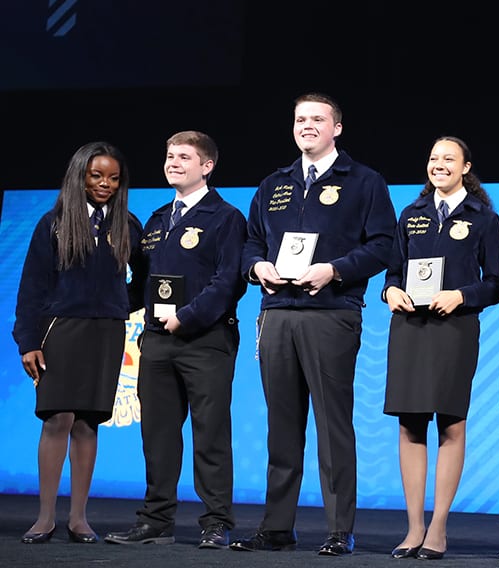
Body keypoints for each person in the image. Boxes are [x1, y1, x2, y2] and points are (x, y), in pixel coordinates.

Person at [231, 92, 397, 555]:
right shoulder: (274, 184)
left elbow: (384, 245)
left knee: (332, 424)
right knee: (282, 427)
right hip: (277, 314)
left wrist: (335, 269)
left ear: (336, 128)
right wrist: (256, 268)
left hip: (332, 313)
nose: (307, 126)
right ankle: (277, 526)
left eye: (317, 119)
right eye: (300, 119)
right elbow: (251, 242)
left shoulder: (364, 181)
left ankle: (339, 528)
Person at [103, 131, 247, 549]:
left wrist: (188, 317)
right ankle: (155, 520)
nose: (173, 162)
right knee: (158, 434)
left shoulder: (226, 218)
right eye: (169, 155)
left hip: (206, 339)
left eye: (184, 156)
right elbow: (142, 285)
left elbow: (228, 283)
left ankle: (216, 522)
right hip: (158, 342)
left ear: (207, 166)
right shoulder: (157, 219)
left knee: (211, 433)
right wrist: (100, 305)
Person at [381, 136, 499, 560]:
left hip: (454, 328)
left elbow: (497, 282)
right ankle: (414, 526)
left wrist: (461, 296)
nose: (439, 165)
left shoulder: (484, 218)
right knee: (410, 423)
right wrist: (390, 292)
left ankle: (438, 528)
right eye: (434, 158)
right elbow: (392, 272)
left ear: (466, 167)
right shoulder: (410, 214)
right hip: (409, 328)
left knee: (450, 423)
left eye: (449, 159)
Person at [13, 141, 144, 544]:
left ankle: (79, 519)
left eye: (113, 178)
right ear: (80, 176)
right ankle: (45, 518)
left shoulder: (128, 224)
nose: (105, 184)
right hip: (61, 330)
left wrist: (120, 305)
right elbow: (32, 287)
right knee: (58, 418)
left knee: (88, 422)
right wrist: (28, 341)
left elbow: (146, 280)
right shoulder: (52, 223)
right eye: (96, 175)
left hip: (106, 332)